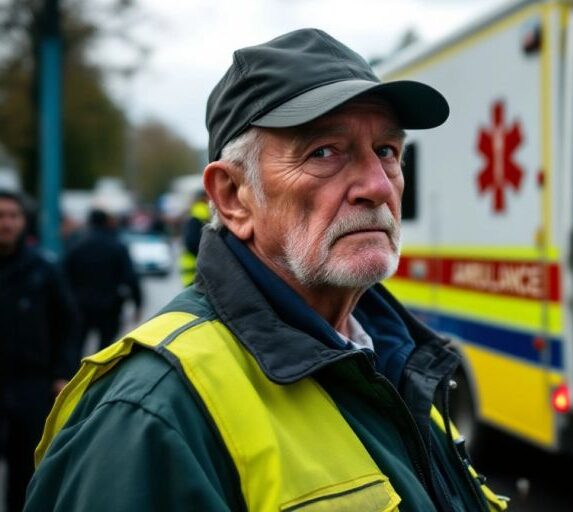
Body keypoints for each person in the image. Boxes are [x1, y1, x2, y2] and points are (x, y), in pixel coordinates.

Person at [27, 29, 507, 511]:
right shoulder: (150, 415)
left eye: (386, 151)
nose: (378, 187)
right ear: (234, 197)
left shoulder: (395, 360)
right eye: (324, 152)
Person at [0, 190, 81, 511]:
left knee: (27, 472)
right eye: (0, 216)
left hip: (31, 386)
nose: (5, 223)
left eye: (12, 216)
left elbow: (69, 324)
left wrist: (62, 373)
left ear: (24, 221)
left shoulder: (44, 270)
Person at [64, 209, 143, 349]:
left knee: (76, 347)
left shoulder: (76, 244)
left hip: (80, 305)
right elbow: (130, 277)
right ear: (107, 222)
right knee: (105, 349)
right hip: (109, 306)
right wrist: (138, 304)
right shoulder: (117, 246)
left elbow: (64, 275)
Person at [179, 191, 211, 286]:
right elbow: (192, 243)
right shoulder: (203, 215)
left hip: (192, 272)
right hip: (197, 271)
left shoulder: (192, 215)